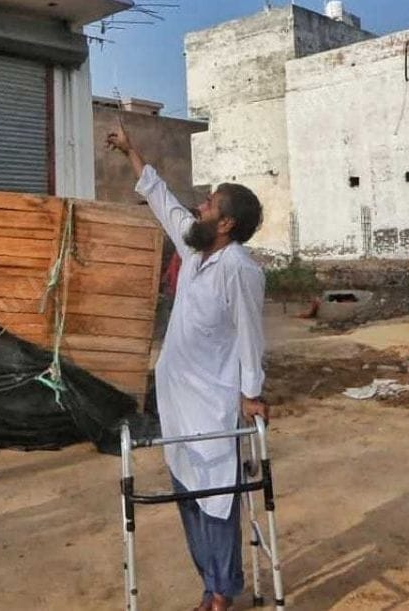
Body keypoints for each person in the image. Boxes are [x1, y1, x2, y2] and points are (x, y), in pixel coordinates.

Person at [107, 127, 270, 611]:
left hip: (214, 406)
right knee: (187, 497)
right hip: (177, 403)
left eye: (211, 204)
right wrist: (132, 150)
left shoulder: (240, 269)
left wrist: (252, 394)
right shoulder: (196, 252)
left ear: (228, 224)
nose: (200, 206)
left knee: (216, 498)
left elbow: (250, 338)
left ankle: (224, 589)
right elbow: (164, 202)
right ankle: (209, 586)